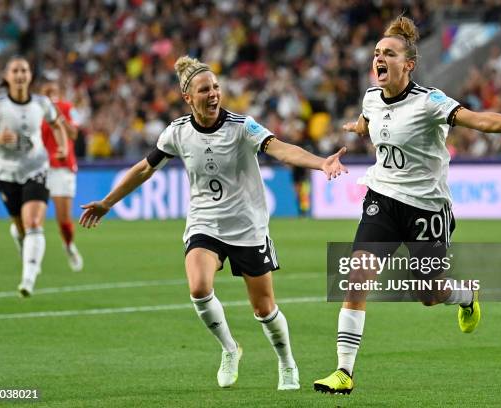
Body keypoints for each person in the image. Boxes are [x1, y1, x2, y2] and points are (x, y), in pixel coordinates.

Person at [314, 15, 501, 395]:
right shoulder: (371, 96)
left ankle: (467, 295)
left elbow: (479, 120)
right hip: (382, 199)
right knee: (357, 277)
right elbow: (369, 119)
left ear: (409, 64)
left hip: (427, 210)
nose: (379, 58)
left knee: (429, 294)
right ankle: (343, 372)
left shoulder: (430, 102)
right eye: (377, 53)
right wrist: (357, 128)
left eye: (389, 53)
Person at [79, 56, 348, 390]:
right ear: (188, 98)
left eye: (216, 87)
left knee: (264, 309)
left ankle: (286, 362)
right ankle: (230, 348)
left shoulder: (241, 126)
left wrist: (321, 163)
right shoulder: (177, 132)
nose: (213, 94)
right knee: (198, 287)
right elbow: (144, 169)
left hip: (248, 226)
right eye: (204, 89)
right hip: (204, 224)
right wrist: (108, 202)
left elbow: (280, 149)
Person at [0, 56, 69, 297]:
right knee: (21, 227)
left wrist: (63, 146)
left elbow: (57, 124)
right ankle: (21, 240)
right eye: (15, 70)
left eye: (24, 70)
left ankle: (28, 279)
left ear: (30, 76)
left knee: (34, 223)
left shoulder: (42, 103)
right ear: (7, 76)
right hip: (6, 172)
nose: (19, 75)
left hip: (36, 168)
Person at [40, 77, 83, 271]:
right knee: (34, 219)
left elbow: (74, 134)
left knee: (63, 219)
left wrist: (60, 118)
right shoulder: (35, 112)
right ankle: (32, 259)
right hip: (39, 168)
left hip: (63, 167)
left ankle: (68, 245)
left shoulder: (66, 107)